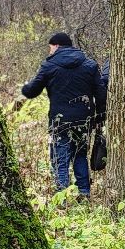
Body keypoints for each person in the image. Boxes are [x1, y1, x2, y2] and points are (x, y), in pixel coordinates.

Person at [20, 31, 107, 199]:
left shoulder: (49, 66)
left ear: (57, 45)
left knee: (60, 158)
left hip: (60, 121)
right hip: (84, 119)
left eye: (50, 47)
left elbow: (31, 91)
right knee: (80, 155)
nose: (49, 51)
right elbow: (101, 93)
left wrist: (24, 88)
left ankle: (62, 196)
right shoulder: (89, 65)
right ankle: (84, 193)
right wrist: (100, 116)